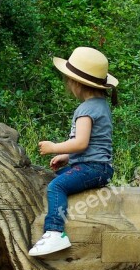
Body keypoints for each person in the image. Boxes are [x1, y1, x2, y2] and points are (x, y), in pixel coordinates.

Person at [29, 46, 119, 256]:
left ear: (77, 83)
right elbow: (94, 143)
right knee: (52, 178)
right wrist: (66, 157)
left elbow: (81, 143)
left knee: (55, 186)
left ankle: (54, 232)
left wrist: (54, 147)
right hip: (99, 166)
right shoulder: (101, 105)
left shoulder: (85, 110)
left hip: (92, 168)